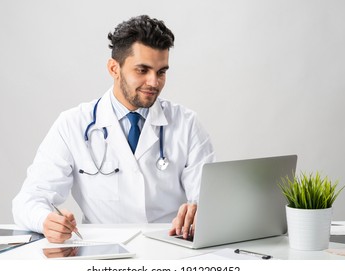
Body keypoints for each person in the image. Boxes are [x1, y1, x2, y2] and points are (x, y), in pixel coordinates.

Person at [12, 15, 215, 243]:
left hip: (172, 246)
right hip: (103, 251)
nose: (154, 82)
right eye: (142, 70)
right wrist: (45, 220)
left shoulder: (187, 124)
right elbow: (28, 200)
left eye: (161, 72)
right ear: (113, 68)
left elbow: (208, 199)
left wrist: (201, 211)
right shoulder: (72, 124)